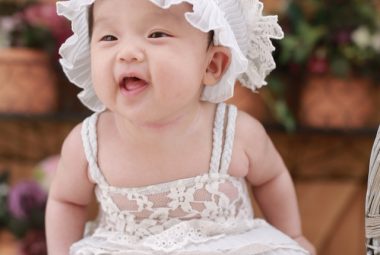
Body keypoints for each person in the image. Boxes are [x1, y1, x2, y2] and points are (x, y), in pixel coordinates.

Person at [46, 0, 316, 254]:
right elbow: (67, 201)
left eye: (156, 34)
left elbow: (271, 178)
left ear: (212, 65)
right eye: (109, 38)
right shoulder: (91, 142)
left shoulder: (234, 134)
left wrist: (291, 234)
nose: (126, 53)